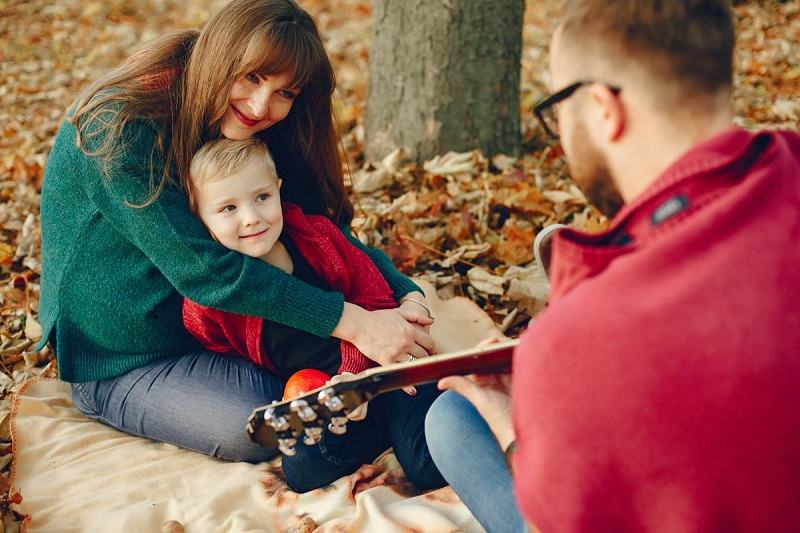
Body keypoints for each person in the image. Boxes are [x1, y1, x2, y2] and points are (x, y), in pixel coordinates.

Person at [425, 0, 800, 531]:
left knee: (454, 419)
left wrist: (512, 421)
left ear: (604, 109)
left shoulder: (582, 337)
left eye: (557, 104)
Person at [38, 0, 441, 492]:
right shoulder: (119, 128)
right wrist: (359, 324)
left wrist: (405, 295)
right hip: (124, 356)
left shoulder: (253, 124)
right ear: (223, 57)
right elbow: (206, 272)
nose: (259, 106)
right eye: (251, 79)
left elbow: (321, 229)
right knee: (261, 425)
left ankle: (393, 414)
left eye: (283, 93)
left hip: (228, 330)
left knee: (313, 388)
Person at [182, 137, 444, 491]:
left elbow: (376, 297)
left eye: (262, 197)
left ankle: (435, 420)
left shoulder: (315, 238)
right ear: (199, 217)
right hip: (326, 396)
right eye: (228, 208)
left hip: (386, 371)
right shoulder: (212, 297)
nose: (251, 217)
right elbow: (217, 346)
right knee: (303, 472)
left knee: (428, 464)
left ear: (278, 189)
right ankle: (376, 434)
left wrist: (354, 374)